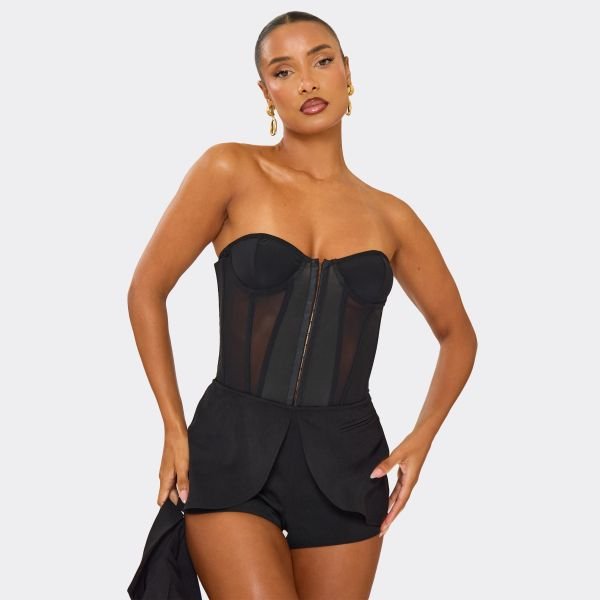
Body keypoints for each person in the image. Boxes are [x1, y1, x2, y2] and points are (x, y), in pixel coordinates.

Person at [127, 10, 478, 600]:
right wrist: (172, 424)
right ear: (266, 91)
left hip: (347, 462)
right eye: (283, 71)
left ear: (348, 73)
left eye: (322, 60)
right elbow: (147, 289)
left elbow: (458, 335)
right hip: (231, 445)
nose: (307, 81)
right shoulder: (230, 168)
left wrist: (423, 437)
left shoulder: (392, 216)